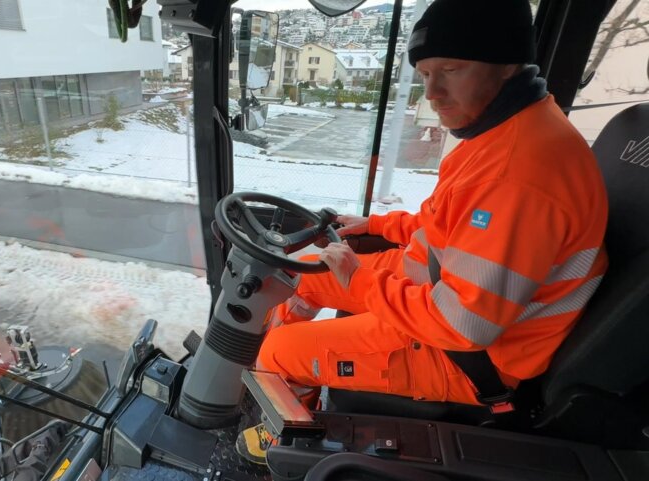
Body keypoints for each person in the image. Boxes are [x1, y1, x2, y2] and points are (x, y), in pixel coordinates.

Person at [235, 0, 609, 465]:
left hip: (468, 356)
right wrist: (378, 226)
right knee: (297, 274)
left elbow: (463, 325)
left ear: (508, 64)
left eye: (451, 69)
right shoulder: (500, 133)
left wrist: (362, 281)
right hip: (435, 291)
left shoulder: (519, 173)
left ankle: (290, 449)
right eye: (426, 73)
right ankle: (288, 384)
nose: (432, 93)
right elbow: (448, 227)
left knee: (281, 349)